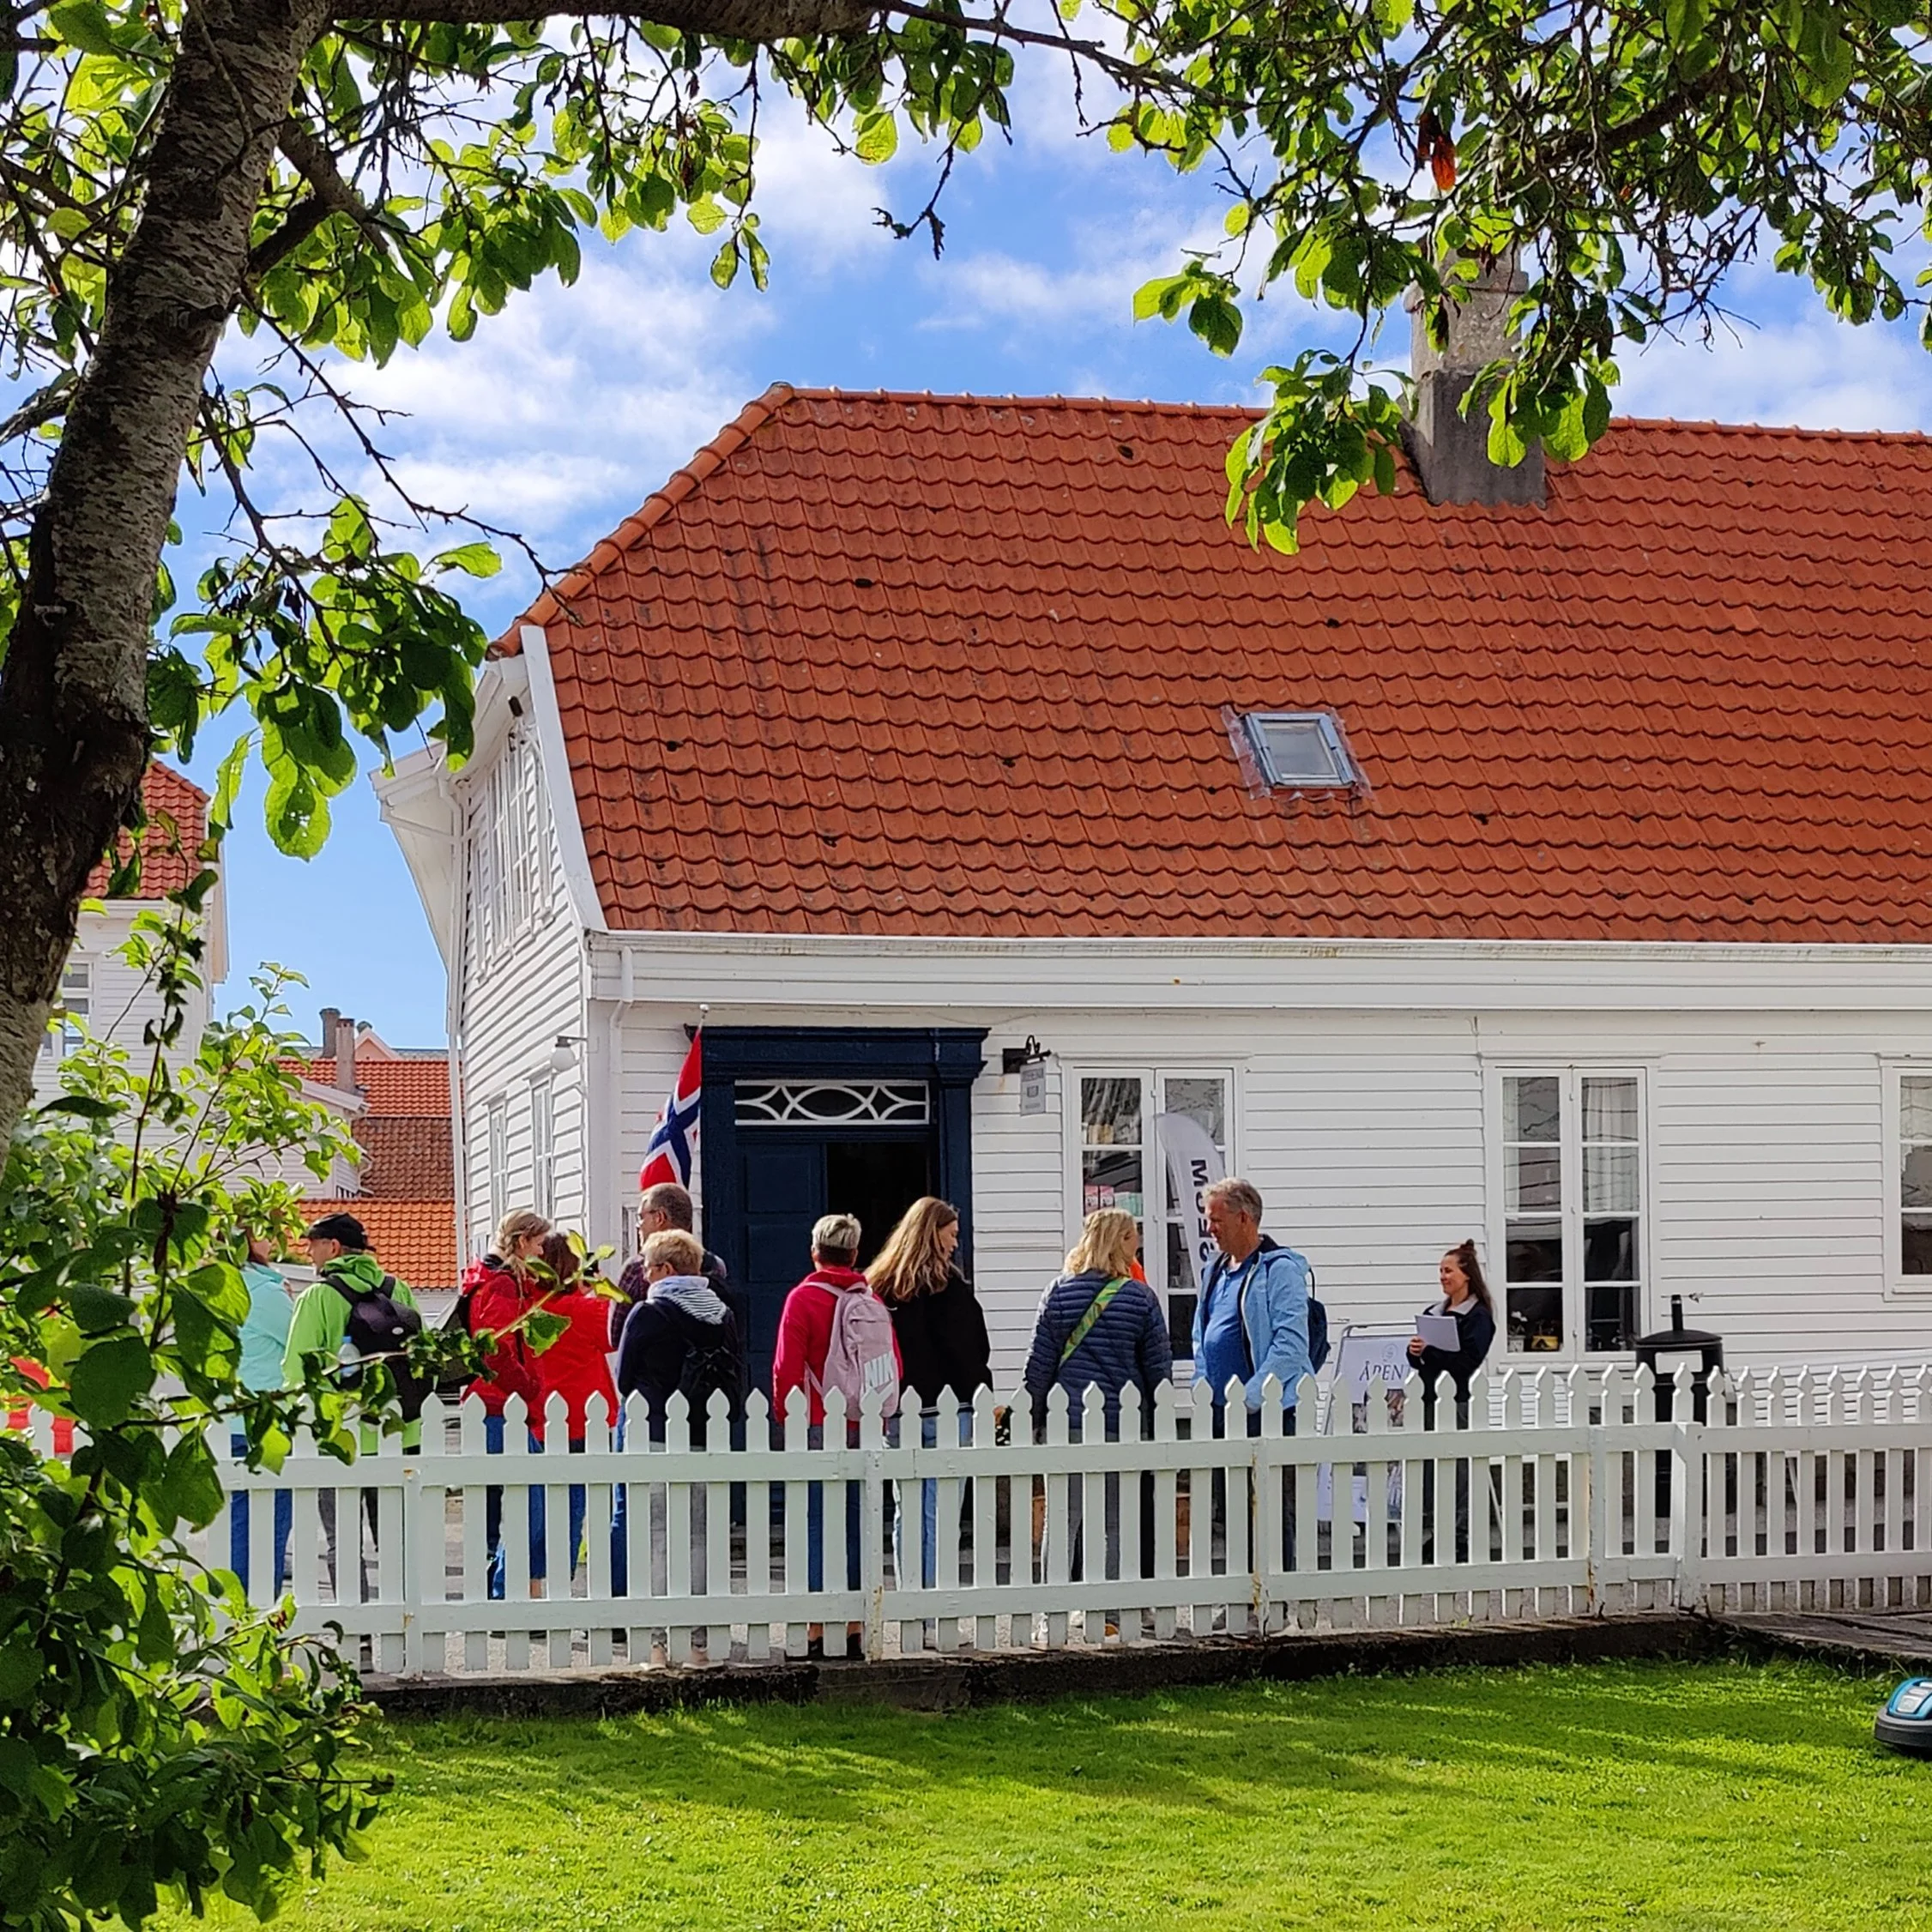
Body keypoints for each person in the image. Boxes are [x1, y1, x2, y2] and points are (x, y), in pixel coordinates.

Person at [612, 1227, 742, 1659]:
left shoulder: (648, 1314)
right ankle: (700, 1639)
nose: (645, 1276)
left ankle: (659, 1640)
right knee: (700, 1537)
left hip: (653, 1433)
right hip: (705, 1434)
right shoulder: (721, 1313)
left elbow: (624, 1377)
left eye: (647, 1267)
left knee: (656, 1538)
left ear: (665, 1269)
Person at [772, 1212, 899, 1657]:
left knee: (814, 1522)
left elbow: (787, 1366)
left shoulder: (802, 1299)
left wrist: (785, 1415)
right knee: (857, 1521)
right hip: (861, 1425)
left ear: (815, 1252)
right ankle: (852, 1624)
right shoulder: (871, 1301)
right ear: (855, 1253)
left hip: (817, 1421)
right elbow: (891, 1365)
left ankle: (814, 1626)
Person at [1023, 1208, 1171, 1585]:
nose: (1138, 1242)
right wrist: (1158, 1426)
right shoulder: (1141, 1299)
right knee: (1116, 1523)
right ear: (1121, 1242)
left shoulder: (1057, 1292)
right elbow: (1159, 1372)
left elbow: (1039, 1366)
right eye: (1134, 1235)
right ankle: (1109, 1614)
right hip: (1120, 1422)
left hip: (1066, 1422)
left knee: (1062, 1520)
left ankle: (1051, 1611)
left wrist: (1034, 1419)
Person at [282, 1212, 425, 1597]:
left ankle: (357, 1637)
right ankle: (402, 1626)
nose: (309, 1255)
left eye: (312, 1246)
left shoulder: (318, 1297)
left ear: (333, 1248)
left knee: (343, 1542)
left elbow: (297, 1370)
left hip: (341, 1439)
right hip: (398, 1434)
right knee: (396, 1540)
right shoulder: (401, 1291)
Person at [870, 1197, 991, 1593]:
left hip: (901, 1411)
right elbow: (971, 1351)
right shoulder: (951, 1288)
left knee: (907, 1511)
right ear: (933, 1234)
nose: (956, 1243)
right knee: (942, 1513)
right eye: (951, 1234)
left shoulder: (882, 1286)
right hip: (948, 1408)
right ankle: (937, 1601)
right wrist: (981, 1393)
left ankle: (910, 1597)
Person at [460, 1209, 552, 1598]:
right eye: (539, 1243)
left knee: (508, 1502)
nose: (543, 1251)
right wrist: (528, 1387)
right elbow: (494, 1346)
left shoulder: (490, 1280)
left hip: (491, 1404)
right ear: (521, 1243)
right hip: (500, 1404)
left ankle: (497, 1587)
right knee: (527, 1503)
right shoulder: (501, 1286)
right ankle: (505, 1591)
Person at [528, 1230, 619, 1588]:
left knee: (535, 1510)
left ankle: (523, 1586)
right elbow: (613, 1339)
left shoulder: (529, 1308)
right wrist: (592, 1292)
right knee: (572, 1510)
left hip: (538, 1417)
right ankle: (558, 1587)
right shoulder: (584, 1309)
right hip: (583, 1418)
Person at [1193, 1177, 1313, 1430]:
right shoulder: (1213, 1270)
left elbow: (1291, 1346)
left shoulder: (1281, 1271)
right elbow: (1200, 1336)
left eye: (1217, 1221)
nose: (1209, 1229)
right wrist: (1200, 1385)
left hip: (1270, 1412)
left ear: (1244, 1219)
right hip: (1219, 1412)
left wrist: (1249, 1399)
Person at [1408, 1239, 1495, 1564]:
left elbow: (1468, 1362)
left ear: (1466, 1275)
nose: (1443, 1277)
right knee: (1432, 1468)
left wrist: (1430, 1352)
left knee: (1457, 1471)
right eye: (1440, 1271)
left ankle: (1458, 1535)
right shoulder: (1435, 1312)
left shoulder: (1478, 1317)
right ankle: (1436, 1529)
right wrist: (1415, 1353)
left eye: (1448, 1270)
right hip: (1430, 1398)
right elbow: (1424, 1361)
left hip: (1457, 1400)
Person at [612, 1182, 747, 1384]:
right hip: (706, 1391)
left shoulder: (637, 1268)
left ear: (660, 1217)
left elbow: (616, 1335)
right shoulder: (715, 1265)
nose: (638, 1226)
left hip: (652, 1395)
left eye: (642, 1217)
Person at [230, 1232, 294, 1597]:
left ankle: (240, 1606)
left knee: (242, 1520)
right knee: (268, 1523)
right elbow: (303, 1342)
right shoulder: (265, 1294)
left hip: (236, 1417)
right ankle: (259, 1604)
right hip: (268, 1421)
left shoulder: (227, 1287)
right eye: (266, 1233)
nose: (277, 1239)